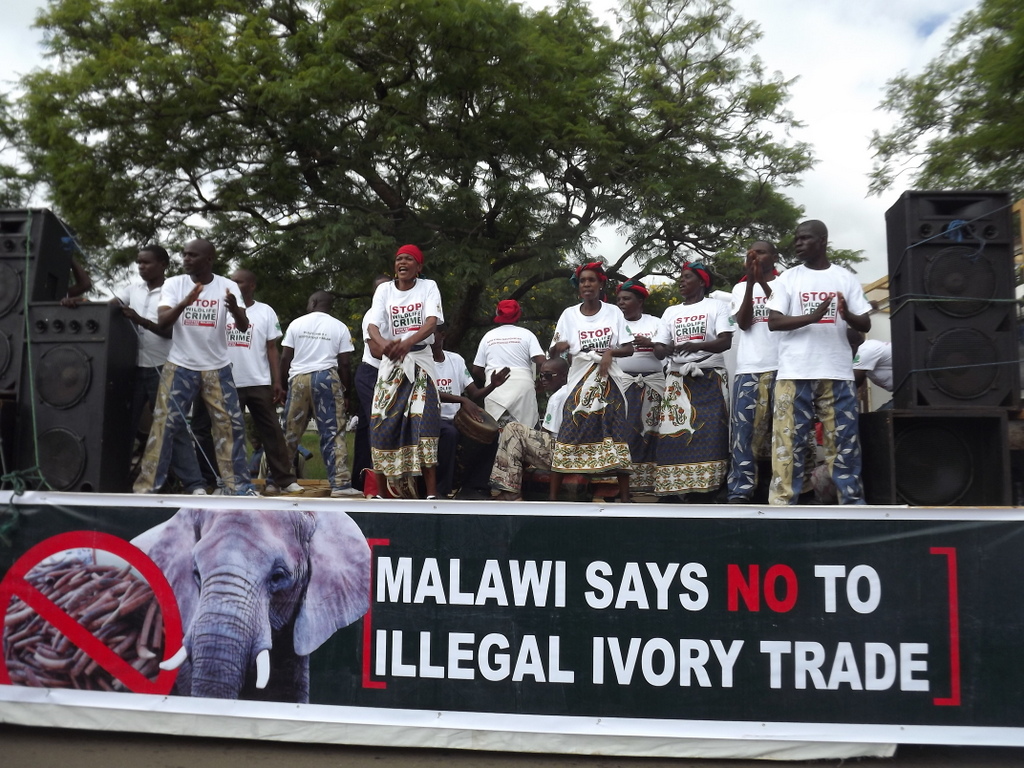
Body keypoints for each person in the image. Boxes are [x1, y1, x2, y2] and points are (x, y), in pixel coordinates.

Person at [133, 237, 257, 496]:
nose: (186, 259)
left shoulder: (227, 286)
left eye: (192, 255)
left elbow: (244, 327)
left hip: (218, 368)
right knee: (163, 425)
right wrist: (185, 303)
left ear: (208, 259)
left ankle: (238, 488)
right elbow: (163, 322)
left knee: (230, 426)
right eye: (184, 254)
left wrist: (235, 309)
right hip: (180, 365)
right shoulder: (175, 284)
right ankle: (147, 488)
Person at [766, 219, 872, 505]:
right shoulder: (787, 278)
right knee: (788, 443)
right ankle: (782, 505)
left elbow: (865, 322)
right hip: (794, 371)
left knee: (844, 443)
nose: (798, 244)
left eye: (804, 238)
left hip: (836, 372)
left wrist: (847, 314)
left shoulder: (844, 278)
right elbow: (774, 321)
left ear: (822, 241)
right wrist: (813, 317)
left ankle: (851, 504)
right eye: (796, 239)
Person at [115, 244, 206, 495]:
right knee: (124, 426)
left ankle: (194, 484)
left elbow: (167, 332)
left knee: (172, 427)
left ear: (163, 265)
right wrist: (79, 302)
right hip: (133, 368)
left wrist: (139, 319)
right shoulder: (132, 290)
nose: (141, 267)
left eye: (147, 262)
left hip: (165, 367)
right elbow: (109, 308)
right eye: (139, 262)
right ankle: (114, 479)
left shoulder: (174, 290)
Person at [548, 261, 634, 503]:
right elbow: (552, 353)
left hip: (609, 380)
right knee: (569, 431)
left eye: (592, 280)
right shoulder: (569, 315)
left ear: (600, 284)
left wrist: (609, 353)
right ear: (579, 287)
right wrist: (559, 348)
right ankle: (553, 499)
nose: (587, 284)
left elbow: (628, 348)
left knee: (616, 433)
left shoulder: (613, 313)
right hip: (579, 381)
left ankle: (625, 499)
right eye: (583, 281)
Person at [367, 244, 443, 499]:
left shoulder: (428, 287)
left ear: (418, 267)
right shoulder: (384, 290)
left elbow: (431, 323)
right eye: (399, 259)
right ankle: (380, 493)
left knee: (424, 424)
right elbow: (372, 326)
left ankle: (430, 494)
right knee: (381, 423)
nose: (402, 263)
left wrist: (407, 343)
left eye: (409, 259)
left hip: (420, 360)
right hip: (392, 364)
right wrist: (384, 344)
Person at [652, 261, 733, 500]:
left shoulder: (716, 306)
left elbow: (725, 341)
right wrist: (661, 349)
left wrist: (697, 346)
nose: (681, 281)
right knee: (674, 434)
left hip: (709, 377)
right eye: (681, 277)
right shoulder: (671, 312)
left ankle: (709, 489)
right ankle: (675, 489)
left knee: (712, 432)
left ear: (702, 282)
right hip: (677, 380)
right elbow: (659, 347)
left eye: (687, 277)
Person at [226, 269, 303, 496]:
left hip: (258, 380)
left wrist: (276, 381)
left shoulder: (265, 311)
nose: (234, 285)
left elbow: (272, 348)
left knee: (272, 432)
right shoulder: (222, 310)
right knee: (230, 434)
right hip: (230, 381)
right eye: (231, 282)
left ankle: (284, 480)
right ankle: (232, 482)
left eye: (239, 282)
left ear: (252, 286)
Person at [280, 290, 361, 498]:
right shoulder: (339, 326)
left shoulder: (296, 324)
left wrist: (281, 386)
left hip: (298, 379)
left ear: (313, 302)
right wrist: (346, 392)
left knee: (290, 431)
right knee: (332, 432)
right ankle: (341, 485)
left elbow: (285, 358)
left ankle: (279, 481)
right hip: (326, 378)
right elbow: (344, 363)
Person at [725, 242, 781, 503]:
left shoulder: (787, 282)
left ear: (774, 257)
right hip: (749, 368)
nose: (755, 256)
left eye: (761, 252)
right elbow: (745, 323)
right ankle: (741, 490)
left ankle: (782, 488)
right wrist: (750, 283)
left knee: (781, 433)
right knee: (743, 434)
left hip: (783, 367)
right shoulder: (739, 288)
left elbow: (785, 315)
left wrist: (763, 283)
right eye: (751, 253)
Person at [431, 324, 508, 498]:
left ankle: (476, 486)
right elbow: (430, 393)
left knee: (492, 433)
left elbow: (474, 393)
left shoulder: (456, 359)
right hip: (432, 418)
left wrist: (492, 385)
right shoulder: (422, 360)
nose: (427, 338)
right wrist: (462, 399)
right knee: (450, 434)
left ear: (442, 335)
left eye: (431, 334)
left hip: (458, 418)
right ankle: (442, 489)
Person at [490, 357, 571, 501]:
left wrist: (525, 447)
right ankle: (511, 491)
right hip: (572, 452)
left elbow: (546, 434)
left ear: (564, 376)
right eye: (541, 376)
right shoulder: (574, 391)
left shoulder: (558, 397)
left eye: (548, 375)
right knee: (517, 440)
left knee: (513, 429)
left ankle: (510, 491)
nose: (543, 380)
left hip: (561, 453)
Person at [616, 279, 664, 495]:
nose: (621, 303)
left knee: (652, 432)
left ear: (640, 300)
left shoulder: (655, 322)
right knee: (624, 433)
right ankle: (622, 485)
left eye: (627, 299)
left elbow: (666, 350)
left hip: (653, 383)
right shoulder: (614, 323)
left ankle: (651, 484)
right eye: (619, 300)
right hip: (623, 384)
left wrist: (651, 343)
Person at [471, 299, 545, 427]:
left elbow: (476, 369)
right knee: (525, 432)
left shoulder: (488, 336)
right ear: (518, 314)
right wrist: (541, 381)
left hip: (495, 389)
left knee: (496, 432)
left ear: (497, 314)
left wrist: (492, 380)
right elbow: (542, 362)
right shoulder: (527, 335)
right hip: (523, 388)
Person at [352, 274, 391, 492]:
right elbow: (376, 352)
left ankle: (360, 482)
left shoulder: (393, 314)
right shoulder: (372, 315)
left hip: (386, 372)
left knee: (367, 426)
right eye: (380, 289)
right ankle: (377, 483)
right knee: (379, 425)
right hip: (372, 373)